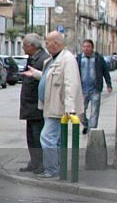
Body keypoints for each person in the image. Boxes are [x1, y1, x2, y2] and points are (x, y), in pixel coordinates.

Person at [36, 31, 84, 180]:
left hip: (59, 108)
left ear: (56, 43)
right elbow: (48, 78)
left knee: (47, 137)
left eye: (47, 42)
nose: (46, 44)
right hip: (50, 106)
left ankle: (52, 169)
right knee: (55, 139)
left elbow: (71, 84)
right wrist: (36, 74)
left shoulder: (67, 59)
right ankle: (57, 167)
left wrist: (70, 108)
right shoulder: (52, 59)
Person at [17, 33, 50, 173]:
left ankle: (40, 163)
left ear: (32, 46)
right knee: (31, 136)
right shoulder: (33, 58)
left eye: (24, 45)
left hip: (37, 106)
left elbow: (46, 81)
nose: (23, 48)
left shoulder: (43, 59)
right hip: (30, 105)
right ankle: (34, 162)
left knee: (37, 137)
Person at [75, 39, 112, 134]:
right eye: (84, 46)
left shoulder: (98, 58)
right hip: (82, 90)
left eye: (88, 47)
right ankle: (87, 125)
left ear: (92, 48)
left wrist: (109, 84)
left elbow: (105, 72)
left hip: (95, 89)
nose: (86, 48)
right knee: (80, 112)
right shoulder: (78, 59)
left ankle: (92, 132)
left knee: (95, 112)